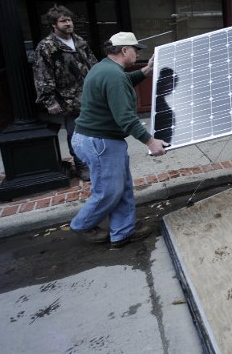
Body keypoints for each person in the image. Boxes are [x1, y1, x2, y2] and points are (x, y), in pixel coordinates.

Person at [69, 32, 168, 248]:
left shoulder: (105, 68)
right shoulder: (113, 75)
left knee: (121, 187)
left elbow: (124, 80)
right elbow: (125, 117)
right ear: (124, 50)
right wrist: (150, 141)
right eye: (136, 49)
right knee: (109, 191)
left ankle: (122, 232)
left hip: (96, 138)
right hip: (99, 141)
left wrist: (146, 70)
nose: (137, 53)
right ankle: (82, 224)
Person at [33, 5, 99, 181]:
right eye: (63, 21)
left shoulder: (80, 41)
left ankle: (94, 160)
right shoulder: (47, 47)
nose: (68, 23)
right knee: (76, 134)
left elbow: (94, 64)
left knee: (94, 130)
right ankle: (81, 166)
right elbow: (42, 74)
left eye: (69, 20)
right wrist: (49, 101)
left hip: (90, 95)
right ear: (54, 25)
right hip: (69, 99)